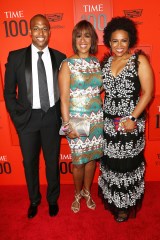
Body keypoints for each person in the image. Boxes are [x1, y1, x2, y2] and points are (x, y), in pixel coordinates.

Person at [4, 14, 66, 219]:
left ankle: (52, 199)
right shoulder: (15, 57)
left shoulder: (60, 57)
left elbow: (66, 91)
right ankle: (34, 200)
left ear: (49, 31)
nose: (41, 33)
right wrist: (17, 118)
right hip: (27, 120)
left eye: (45, 28)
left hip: (51, 118)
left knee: (51, 162)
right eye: (36, 28)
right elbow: (8, 93)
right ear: (30, 31)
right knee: (29, 162)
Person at [98, 16, 154, 222]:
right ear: (109, 42)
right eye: (115, 41)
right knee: (112, 163)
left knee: (129, 164)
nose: (119, 45)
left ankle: (126, 204)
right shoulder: (106, 62)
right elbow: (100, 88)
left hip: (130, 122)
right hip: (109, 123)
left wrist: (132, 117)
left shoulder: (139, 61)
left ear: (130, 40)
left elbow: (148, 93)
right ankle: (113, 199)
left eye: (123, 40)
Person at [58, 20, 103, 213]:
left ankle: (87, 192)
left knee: (92, 159)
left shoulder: (95, 62)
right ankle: (77, 194)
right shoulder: (67, 64)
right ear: (74, 39)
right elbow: (64, 99)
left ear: (92, 39)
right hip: (76, 119)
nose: (83, 40)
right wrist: (68, 126)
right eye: (79, 36)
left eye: (87, 35)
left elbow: (99, 87)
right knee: (78, 162)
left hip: (96, 118)